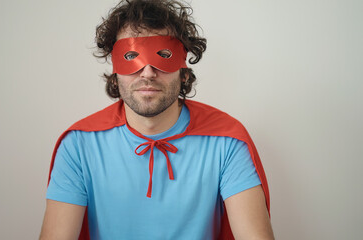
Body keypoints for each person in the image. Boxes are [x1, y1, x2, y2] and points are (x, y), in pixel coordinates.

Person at [40, 0, 274, 239]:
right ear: (115, 70)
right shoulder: (79, 144)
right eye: (131, 56)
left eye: (163, 55)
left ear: (183, 71)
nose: (148, 72)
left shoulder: (227, 141)